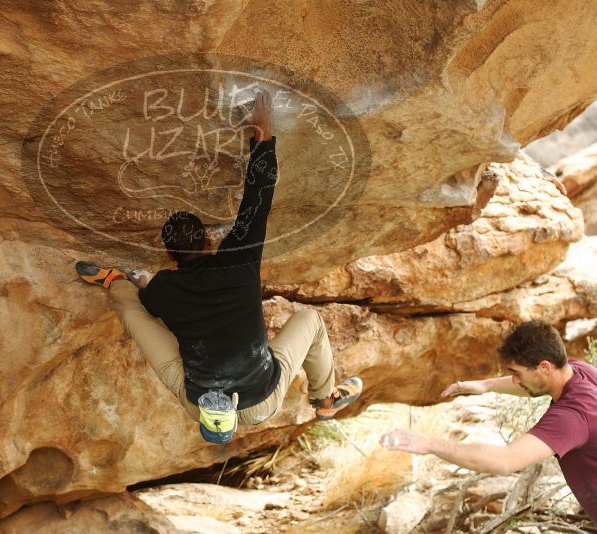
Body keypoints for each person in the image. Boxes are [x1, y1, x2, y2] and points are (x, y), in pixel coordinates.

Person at [76, 90, 363, 443]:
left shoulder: (164, 289)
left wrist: (142, 284)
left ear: (170, 256)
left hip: (216, 403)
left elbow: (150, 301)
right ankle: (324, 399)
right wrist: (262, 130)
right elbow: (259, 197)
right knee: (311, 321)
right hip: (255, 398)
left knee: (136, 316)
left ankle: (114, 280)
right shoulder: (239, 262)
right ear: (209, 241)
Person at [380, 320, 597, 521]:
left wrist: (429, 444)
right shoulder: (580, 372)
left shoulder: (573, 415)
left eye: (517, 373)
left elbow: (506, 460)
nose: (514, 380)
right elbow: (535, 383)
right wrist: (487, 385)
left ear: (545, 367)